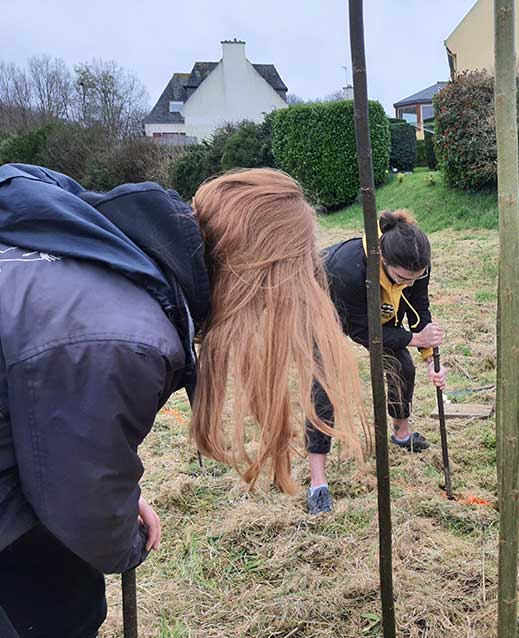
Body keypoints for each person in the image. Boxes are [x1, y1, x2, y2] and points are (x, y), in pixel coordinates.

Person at [0, 165, 363, 637]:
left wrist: (114, 495)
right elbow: (80, 511)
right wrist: (120, 540)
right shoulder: (128, 337)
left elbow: (66, 447)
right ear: (257, 280)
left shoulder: (107, 251)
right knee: (62, 613)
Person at [305, 210, 447, 515]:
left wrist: (430, 359)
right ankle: (318, 481)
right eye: (402, 278)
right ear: (381, 256)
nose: (410, 283)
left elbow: (418, 307)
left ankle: (401, 433)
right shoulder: (345, 270)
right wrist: (412, 340)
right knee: (324, 388)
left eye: (416, 278)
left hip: (377, 315)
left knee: (402, 368)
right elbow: (365, 331)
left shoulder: (415, 261)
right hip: (323, 310)